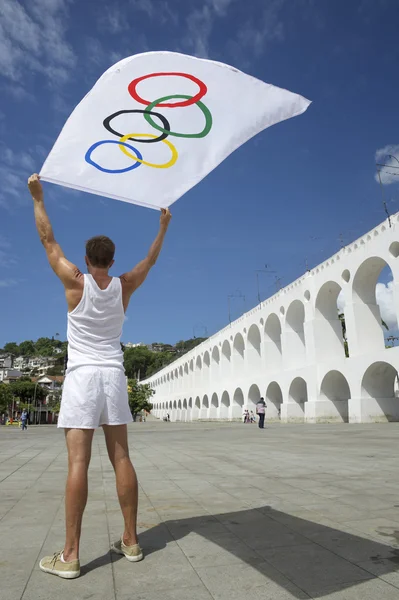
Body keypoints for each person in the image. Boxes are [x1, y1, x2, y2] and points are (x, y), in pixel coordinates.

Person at [28, 174, 171, 579]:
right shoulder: (124, 285)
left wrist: (38, 198)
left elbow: (47, 240)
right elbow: (151, 260)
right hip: (113, 373)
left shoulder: (76, 284)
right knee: (121, 456)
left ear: (88, 261)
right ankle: (130, 540)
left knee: (79, 462)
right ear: (111, 259)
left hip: (81, 376)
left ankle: (71, 555)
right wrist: (162, 226)